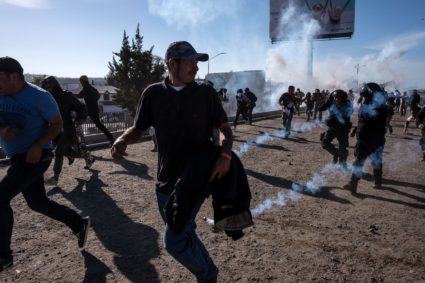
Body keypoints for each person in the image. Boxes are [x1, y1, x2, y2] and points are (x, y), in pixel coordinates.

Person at [110, 41, 235, 283]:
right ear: (172, 63)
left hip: (196, 177)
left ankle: (207, 275)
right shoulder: (153, 93)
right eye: (190, 61)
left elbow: (225, 131)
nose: (196, 67)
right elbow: (140, 128)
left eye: (197, 62)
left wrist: (225, 155)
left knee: (174, 241)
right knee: (184, 231)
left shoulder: (205, 93)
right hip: (165, 179)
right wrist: (124, 139)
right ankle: (209, 271)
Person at [0, 57, 90, 272]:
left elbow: (57, 124)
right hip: (17, 157)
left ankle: (3, 257)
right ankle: (78, 223)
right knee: (37, 203)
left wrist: (38, 145)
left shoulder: (39, 96)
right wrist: (3, 131)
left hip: (38, 155)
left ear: (15, 76)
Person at [41, 76, 95, 185]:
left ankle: (55, 178)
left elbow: (81, 107)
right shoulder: (44, 98)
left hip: (67, 130)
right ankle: (87, 156)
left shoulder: (66, 96)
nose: (48, 88)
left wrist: (80, 118)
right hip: (54, 132)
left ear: (55, 85)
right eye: (46, 86)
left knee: (58, 152)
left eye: (50, 86)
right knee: (67, 152)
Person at [344, 82, 389, 193]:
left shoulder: (381, 107)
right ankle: (352, 184)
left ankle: (378, 180)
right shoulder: (365, 105)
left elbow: (372, 119)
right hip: (363, 139)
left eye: (364, 95)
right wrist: (355, 130)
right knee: (358, 161)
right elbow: (362, 121)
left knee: (376, 162)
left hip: (376, 140)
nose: (362, 98)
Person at [318, 89, 353, 166]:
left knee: (343, 148)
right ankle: (336, 154)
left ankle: (342, 164)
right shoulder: (332, 102)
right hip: (332, 128)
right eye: (335, 97)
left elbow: (350, 112)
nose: (337, 99)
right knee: (325, 143)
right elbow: (320, 108)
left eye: (339, 97)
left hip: (343, 129)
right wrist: (329, 100)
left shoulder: (347, 104)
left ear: (342, 97)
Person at [77, 75, 114, 145]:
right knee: (99, 124)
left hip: (89, 110)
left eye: (81, 81)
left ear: (83, 81)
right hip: (94, 109)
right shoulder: (91, 88)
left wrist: (70, 95)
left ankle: (79, 141)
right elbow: (98, 95)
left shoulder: (86, 89)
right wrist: (94, 101)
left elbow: (79, 96)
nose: (81, 83)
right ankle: (110, 137)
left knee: (78, 121)